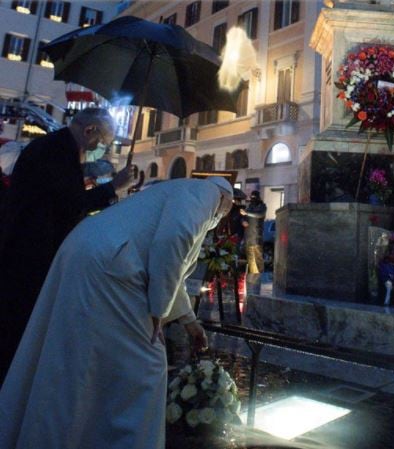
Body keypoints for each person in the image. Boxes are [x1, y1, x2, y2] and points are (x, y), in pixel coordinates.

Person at [0, 177, 233, 449]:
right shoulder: (207, 191)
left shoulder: (176, 190)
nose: (225, 215)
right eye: (229, 207)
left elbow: (172, 265)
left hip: (89, 249)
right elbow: (173, 240)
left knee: (75, 360)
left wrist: (189, 322)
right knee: (148, 365)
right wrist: (158, 310)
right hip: (110, 263)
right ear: (224, 197)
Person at [0, 108, 136, 381]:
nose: (101, 149)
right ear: (89, 131)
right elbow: (70, 204)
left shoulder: (56, 148)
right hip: (28, 258)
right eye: (102, 143)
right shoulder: (56, 151)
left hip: (28, 253)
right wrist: (114, 187)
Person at [241, 190, 267, 274]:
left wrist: (247, 213)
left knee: (258, 257)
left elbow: (259, 215)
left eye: (254, 197)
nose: (252, 199)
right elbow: (243, 217)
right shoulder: (249, 206)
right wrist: (243, 221)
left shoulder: (262, 206)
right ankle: (253, 277)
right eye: (251, 197)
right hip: (248, 236)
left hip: (256, 236)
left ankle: (259, 276)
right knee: (251, 259)